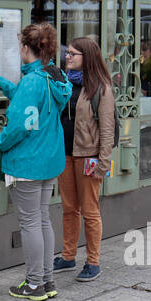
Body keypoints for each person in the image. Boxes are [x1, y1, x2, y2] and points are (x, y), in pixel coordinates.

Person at [0, 23, 72, 301]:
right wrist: (8, 87)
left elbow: (21, 125)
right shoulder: (52, 77)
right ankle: (47, 280)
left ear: (25, 47)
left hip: (27, 162)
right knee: (41, 220)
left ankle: (34, 283)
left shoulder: (33, 81)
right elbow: (34, 110)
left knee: (30, 224)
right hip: (48, 161)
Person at [54, 37, 115, 281]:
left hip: (88, 156)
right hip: (65, 154)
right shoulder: (64, 84)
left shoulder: (101, 87)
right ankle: (68, 256)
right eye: (67, 53)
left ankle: (93, 262)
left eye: (73, 54)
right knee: (69, 209)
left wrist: (104, 162)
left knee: (90, 211)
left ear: (86, 58)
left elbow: (108, 127)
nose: (67, 57)